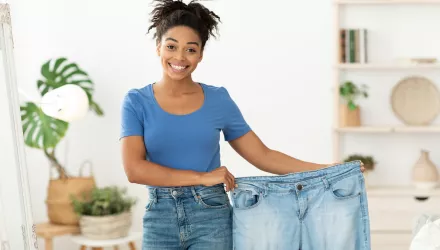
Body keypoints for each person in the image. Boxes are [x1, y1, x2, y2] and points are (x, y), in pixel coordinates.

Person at [119, 0, 365, 249]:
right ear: (158, 47)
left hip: (211, 214)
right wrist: (202, 177)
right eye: (171, 46)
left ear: (201, 54)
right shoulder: (136, 101)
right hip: (160, 216)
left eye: (190, 49)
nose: (180, 57)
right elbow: (135, 170)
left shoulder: (218, 99)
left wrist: (324, 170)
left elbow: (262, 155)